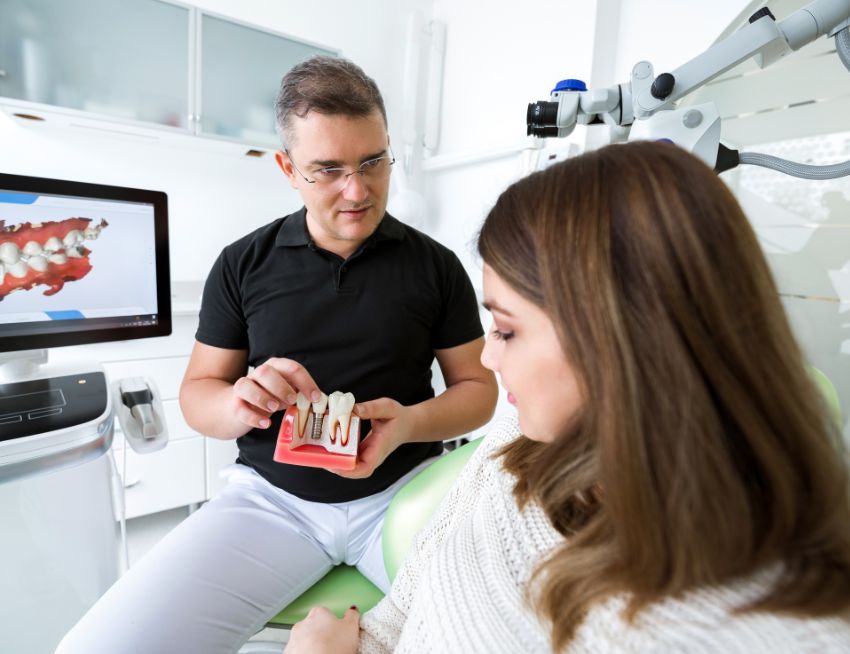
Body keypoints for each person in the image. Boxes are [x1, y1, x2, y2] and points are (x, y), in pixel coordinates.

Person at [284, 141, 850, 653]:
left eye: (506, 330)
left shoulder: (766, 628)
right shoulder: (520, 439)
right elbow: (405, 610)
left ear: (621, 337)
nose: (487, 358)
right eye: (326, 169)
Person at [56, 56, 496, 654]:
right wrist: (238, 401)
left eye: (373, 161)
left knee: (502, 637)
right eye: (328, 170)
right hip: (272, 502)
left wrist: (412, 422)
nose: (357, 189)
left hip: (403, 494)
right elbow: (198, 396)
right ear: (288, 168)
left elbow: (478, 391)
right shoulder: (242, 264)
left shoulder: (436, 266)